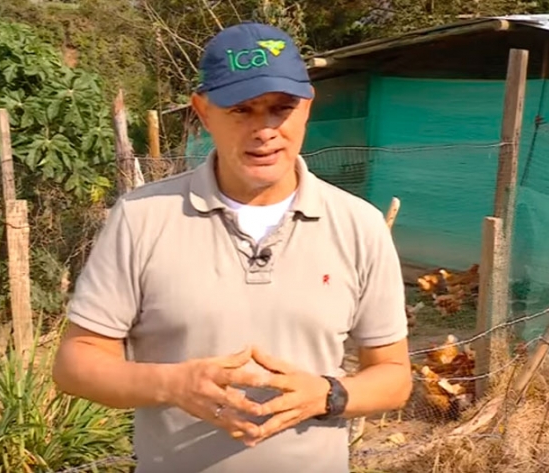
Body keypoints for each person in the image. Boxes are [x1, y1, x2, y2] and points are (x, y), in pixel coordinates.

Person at [52, 22, 412, 473]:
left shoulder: (359, 225)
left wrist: (327, 393)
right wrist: (175, 383)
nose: (265, 130)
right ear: (203, 112)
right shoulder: (142, 217)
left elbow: (394, 376)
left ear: (306, 109)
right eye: (242, 110)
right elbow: (75, 363)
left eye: (281, 108)